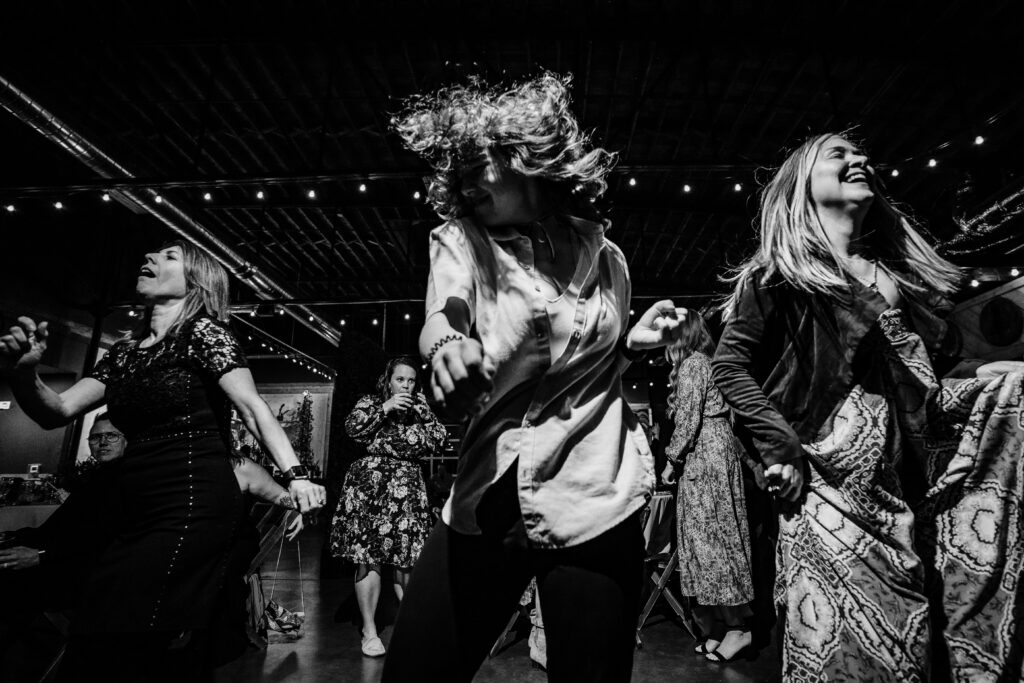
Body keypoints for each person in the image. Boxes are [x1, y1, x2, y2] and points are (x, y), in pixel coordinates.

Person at [384, 71, 685, 682]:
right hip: (491, 495)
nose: (463, 180)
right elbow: (445, 312)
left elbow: (588, 369)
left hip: (596, 495)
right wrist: (445, 349)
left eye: (476, 161)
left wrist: (632, 343)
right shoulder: (463, 241)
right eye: (454, 169)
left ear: (526, 153)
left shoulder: (609, 257)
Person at [712, 132, 1024, 681]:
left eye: (862, 157)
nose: (859, 161)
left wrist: (981, 381)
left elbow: (920, 382)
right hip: (826, 484)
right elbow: (729, 368)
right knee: (842, 648)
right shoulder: (776, 275)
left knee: (906, 644)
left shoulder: (895, 277)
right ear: (800, 186)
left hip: (899, 481)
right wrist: (778, 446)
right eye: (839, 156)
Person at [0, 240, 326, 681]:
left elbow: (252, 407)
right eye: (152, 253)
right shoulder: (124, 354)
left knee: (128, 627)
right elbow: (53, 412)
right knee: (103, 625)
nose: (150, 258)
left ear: (196, 282)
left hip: (192, 502)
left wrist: (297, 477)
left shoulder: (205, 335)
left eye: (169, 257)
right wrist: (23, 374)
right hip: (134, 509)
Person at [329, 356, 447, 657]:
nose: (406, 385)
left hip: (407, 491)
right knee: (369, 558)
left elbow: (440, 441)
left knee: (408, 559)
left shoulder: (419, 411)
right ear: (388, 380)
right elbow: (352, 429)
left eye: (411, 380)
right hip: (371, 488)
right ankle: (369, 631)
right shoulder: (371, 403)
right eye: (400, 379)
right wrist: (385, 408)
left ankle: (412, 627)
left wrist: (426, 414)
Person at [662, 314, 754, 662]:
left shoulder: (693, 364)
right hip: (710, 452)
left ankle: (738, 629)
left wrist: (671, 460)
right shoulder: (704, 362)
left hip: (705, 455)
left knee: (715, 539)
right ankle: (719, 626)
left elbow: (688, 417)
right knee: (708, 541)